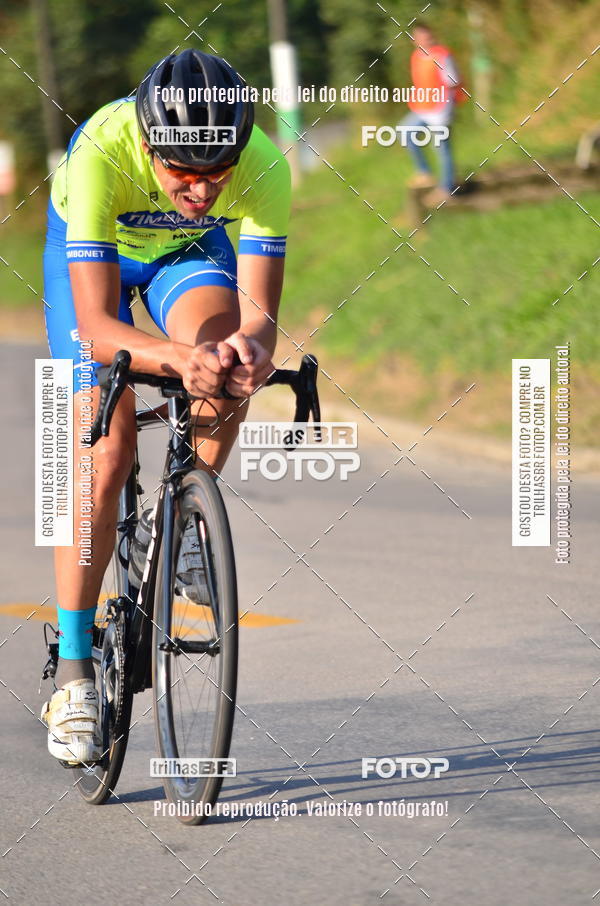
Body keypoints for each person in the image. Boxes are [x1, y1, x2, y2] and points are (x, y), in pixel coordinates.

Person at [40, 49, 291, 765]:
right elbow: (95, 327)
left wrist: (241, 353)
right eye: (182, 171)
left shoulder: (266, 164)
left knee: (230, 364)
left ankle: (181, 530)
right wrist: (178, 360)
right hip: (95, 265)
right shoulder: (100, 150)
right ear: (147, 145)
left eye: (216, 172)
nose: (202, 188)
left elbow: (260, 317)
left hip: (184, 256)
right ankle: (75, 671)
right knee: (108, 450)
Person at [399, 21, 466, 205]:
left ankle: (447, 188)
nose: (424, 39)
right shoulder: (416, 57)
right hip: (422, 108)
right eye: (420, 36)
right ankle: (424, 172)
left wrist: (449, 110)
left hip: (440, 109)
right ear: (415, 40)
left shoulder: (442, 56)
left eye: (427, 35)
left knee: (441, 148)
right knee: (405, 133)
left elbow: (453, 83)